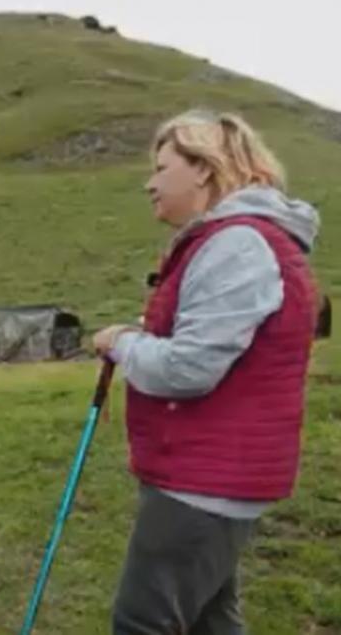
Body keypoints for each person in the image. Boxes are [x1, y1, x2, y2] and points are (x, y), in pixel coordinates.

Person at [92, 109, 321, 633]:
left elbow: (188, 369)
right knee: (209, 623)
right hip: (217, 474)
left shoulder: (237, 244)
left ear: (203, 168)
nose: (149, 183)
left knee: (144, 621)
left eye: (161, 166)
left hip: (204, 478)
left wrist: (124, 343)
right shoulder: (241, 240)